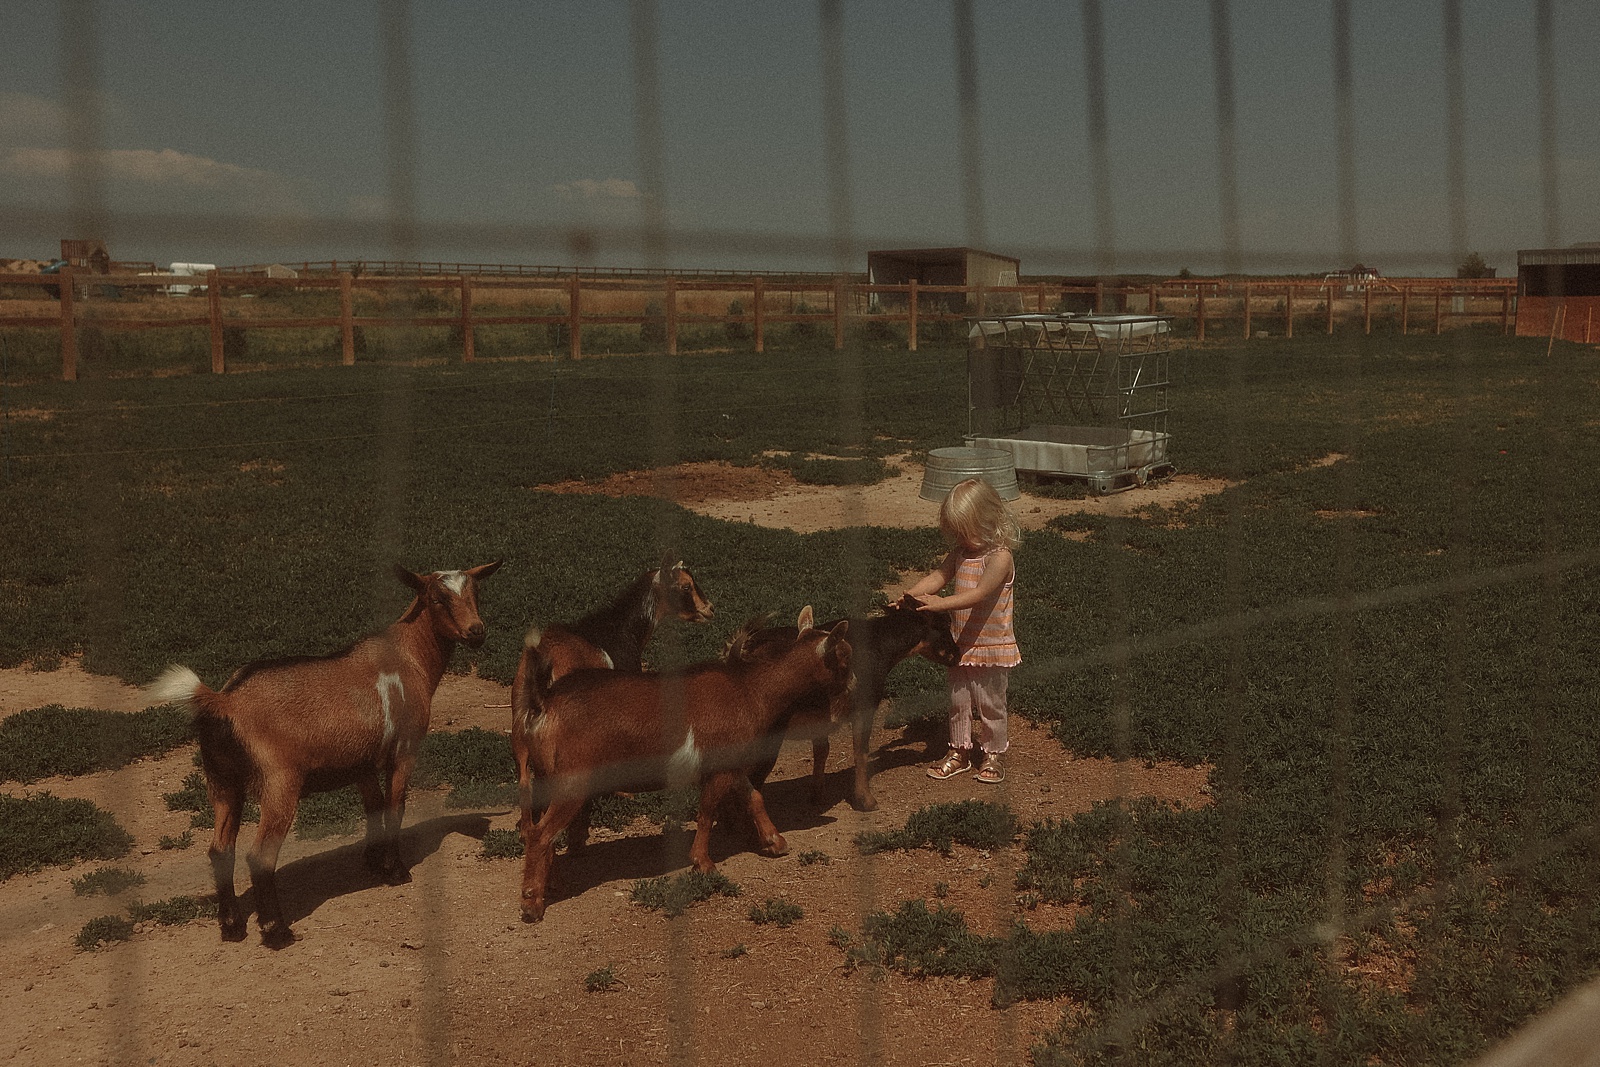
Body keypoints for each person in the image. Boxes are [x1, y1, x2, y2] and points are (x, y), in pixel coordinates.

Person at [906, 477, 1021, 784]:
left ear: (987, 520)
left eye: (964, 530)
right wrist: (910, 597)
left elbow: (979, 594)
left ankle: (993, 753)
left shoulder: (1000, 557)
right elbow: (937, 576)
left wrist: (940, 605)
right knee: (958, 702)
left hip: (991, 644)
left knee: (990, 703)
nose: (960, 537)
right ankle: (959, 751)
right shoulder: (960, 553)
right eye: (955, 531)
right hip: (961, 643)